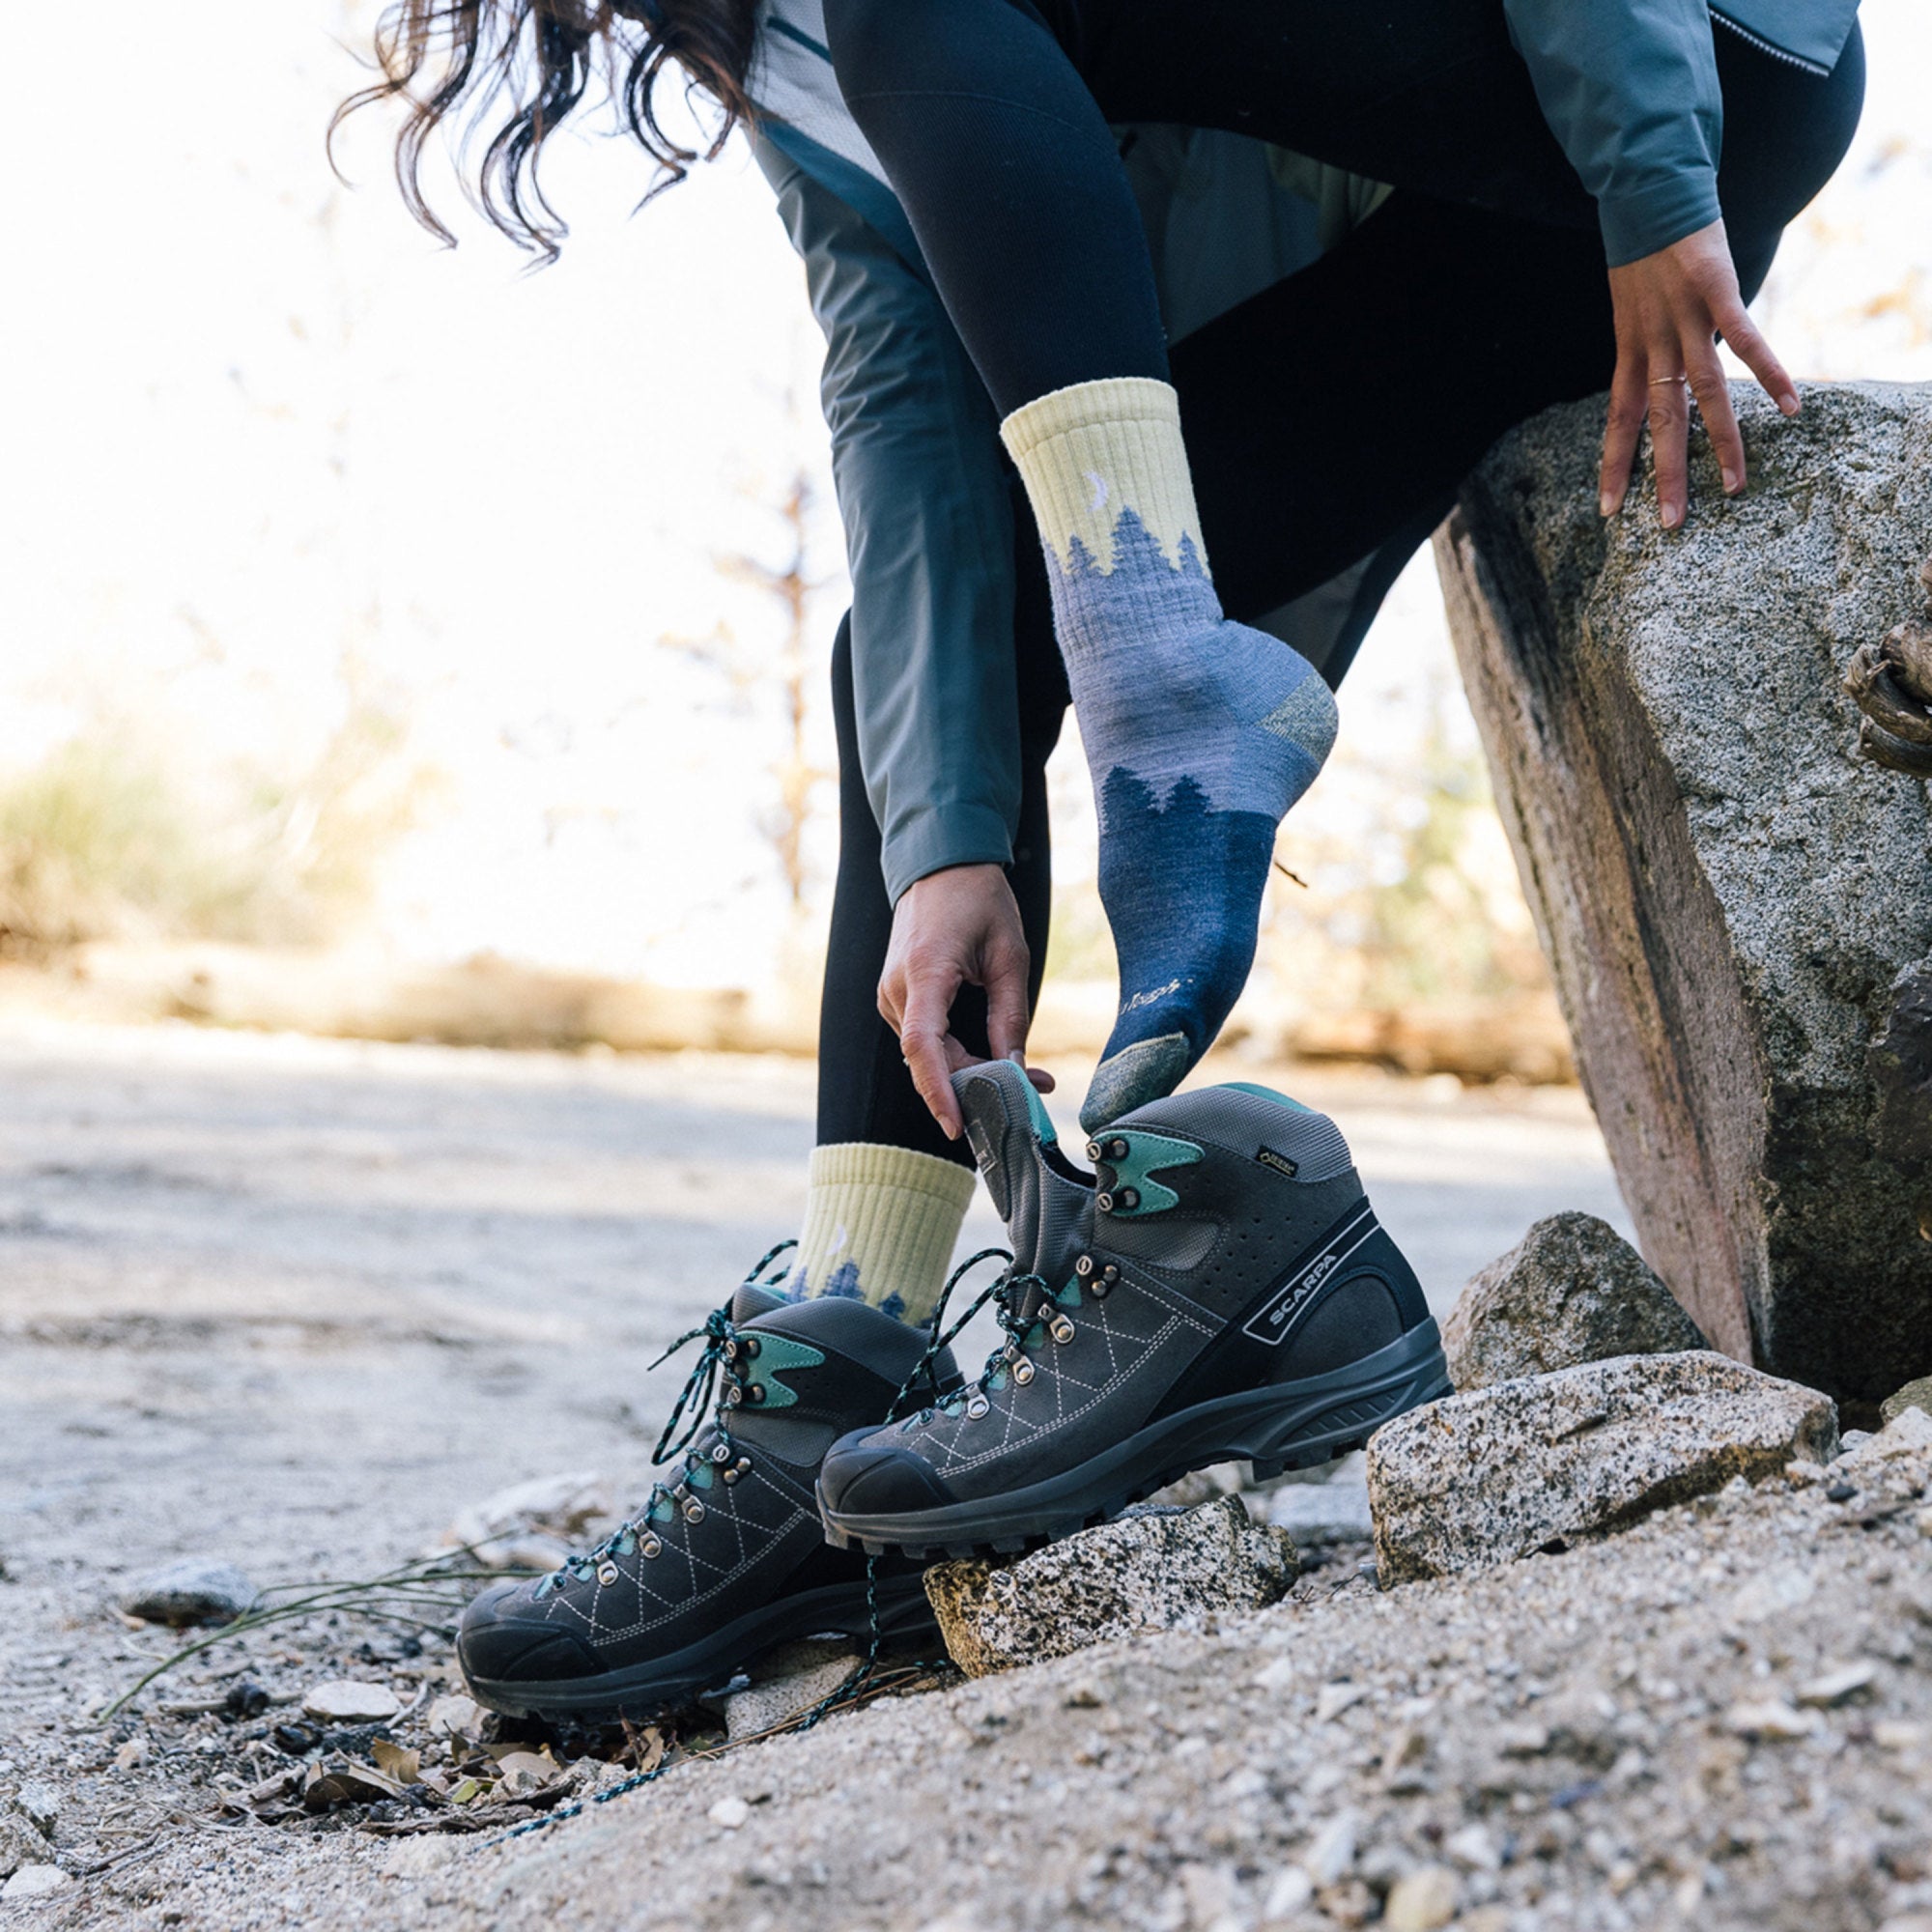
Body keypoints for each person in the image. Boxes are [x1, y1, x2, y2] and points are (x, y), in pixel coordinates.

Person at [338, 0, 1862, 1717]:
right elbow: (905, 388)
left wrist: (1660, 178)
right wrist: (943, 846)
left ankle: (1161, 672)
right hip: (1490, 248)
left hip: (1689, 68)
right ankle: (841, 1381)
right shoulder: (787, 47)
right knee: (924, 632)